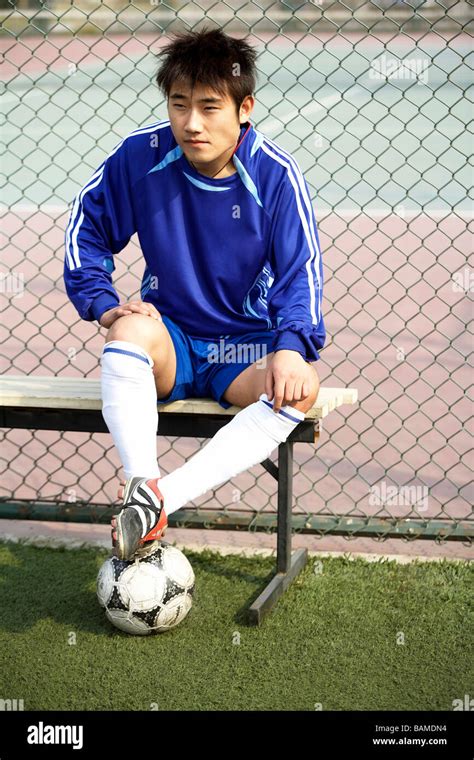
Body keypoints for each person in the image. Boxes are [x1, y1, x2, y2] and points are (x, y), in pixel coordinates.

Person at [64, 27, 325, 561]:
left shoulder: (275, 177)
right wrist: (103, 303)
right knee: (128, 328)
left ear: (244, 108)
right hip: (172, 341)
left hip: (242, 346)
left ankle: (160, 503)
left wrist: (292, 346)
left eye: (209, 107)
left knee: (300, 390)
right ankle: (142, 484)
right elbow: (87, 230)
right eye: (178, 105)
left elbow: (301, 273)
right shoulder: (141, 156)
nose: (191, 123)